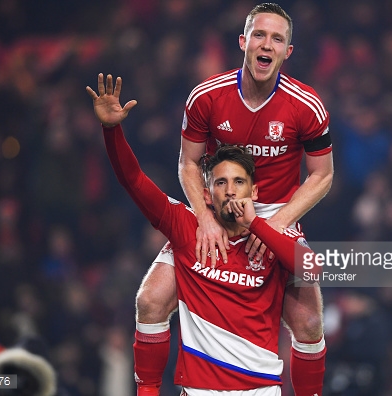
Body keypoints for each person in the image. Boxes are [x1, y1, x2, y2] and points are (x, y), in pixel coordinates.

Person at [126, 3, 333, 395]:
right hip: (218, 207)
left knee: (308, 322)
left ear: (287, 51)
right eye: (259, 34)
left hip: (275, 214)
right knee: (150, 300)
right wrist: (203, 216)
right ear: (243, 42)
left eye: (277, 38)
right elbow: (188, 164)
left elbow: (323, 175)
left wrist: (277, 223)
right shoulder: (207, 96)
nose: (266, 44)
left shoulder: (307, 106)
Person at [86, 73, 323, 395]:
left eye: (239, 182)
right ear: (207, 193)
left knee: (310, 321)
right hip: (199, 391)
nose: (230, 191)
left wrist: (257, 226)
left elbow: (311, 270)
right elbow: (133, 180)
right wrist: (112, 129)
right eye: (220, 183)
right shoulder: (186, 227)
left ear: (255, 192)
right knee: (149, 299)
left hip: (260, 391)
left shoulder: (274, 237)